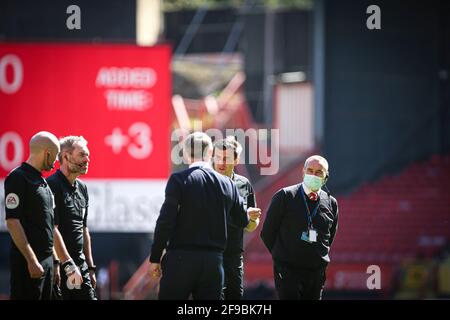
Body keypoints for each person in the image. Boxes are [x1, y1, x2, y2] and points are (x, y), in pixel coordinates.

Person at [148, 132, 261, 300]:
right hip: (213, 262)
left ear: (186, 154)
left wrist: (155, 257)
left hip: (181, 259)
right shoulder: (228, 183)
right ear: (210, 154)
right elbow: (243, 220)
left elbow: (165, 221)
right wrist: (248, 215)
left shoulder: (179, 180)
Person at [261, 155, 339, 300]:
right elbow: (267, 233)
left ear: (326, 176)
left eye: (318, 172)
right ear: (303, 172)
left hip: (316, 273)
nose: (313, 175)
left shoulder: (331, 203)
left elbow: (330, 236)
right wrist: (282, 258)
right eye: (310, 170)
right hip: (288, 272)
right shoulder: (285, 196)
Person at [4, 131, 60, 300]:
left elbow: (49, 227)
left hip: (47, 264)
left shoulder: (44, 182)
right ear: (47, 153)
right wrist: (32, 260)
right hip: (29, 265)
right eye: (56, 156)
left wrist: (55, 262)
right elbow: (12, 222)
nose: (56, 161)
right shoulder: (17, 177)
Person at [47, 136, 97, 300]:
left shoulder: (82, 188)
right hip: (61, 268)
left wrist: (90, 267)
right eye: (82, 155)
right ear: (66, 157)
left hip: (80, 266)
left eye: (87, 155)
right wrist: (63, 265)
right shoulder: (51, 186)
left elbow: (84, 229)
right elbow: (51, 229)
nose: (87, 159)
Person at [212, 137, 259, 300]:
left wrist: (252, 219)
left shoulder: (244, 184)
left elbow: (251, 226)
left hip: (233, 256)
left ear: (236, 160)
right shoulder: (204, 182)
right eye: (217, 157)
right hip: (208, 255)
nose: (221, 162)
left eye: (226, 158)